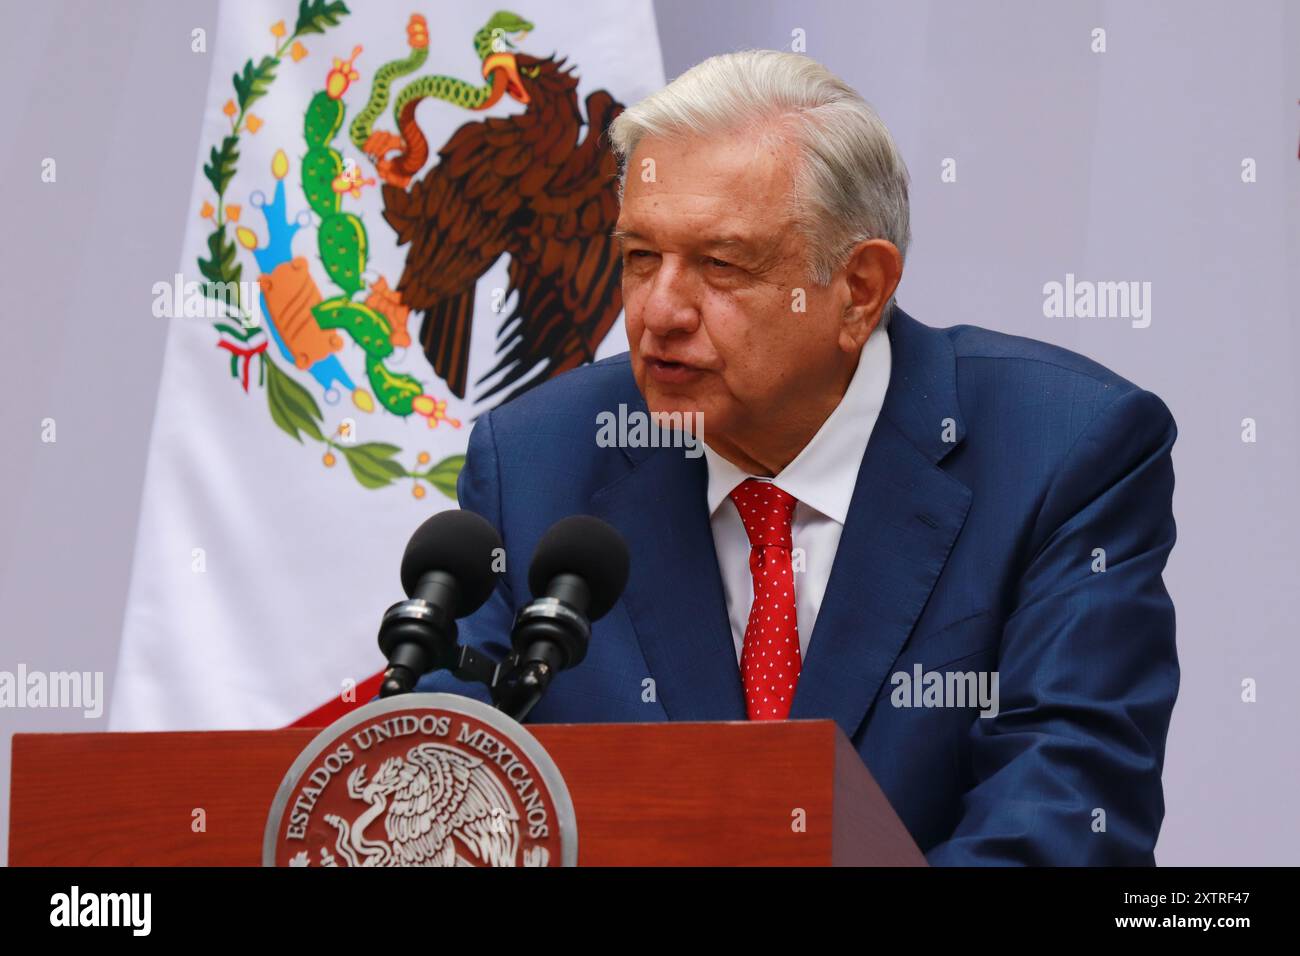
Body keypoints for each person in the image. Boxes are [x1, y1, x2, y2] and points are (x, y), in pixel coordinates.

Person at [416, 50, 1179, 866]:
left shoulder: (1061, 452)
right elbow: (446, 796)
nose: (659, 312)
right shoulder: (537, 462)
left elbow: (1063, 822)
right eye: (640, 257)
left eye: (720, 265)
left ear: (859, 288)